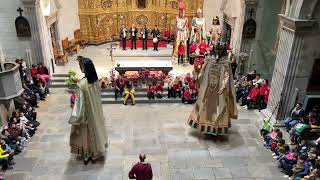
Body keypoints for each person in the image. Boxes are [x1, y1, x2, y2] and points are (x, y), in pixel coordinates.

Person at [68, 57, 108, 165]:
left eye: (81, 66)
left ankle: (87, 155)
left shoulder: (82, 84)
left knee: (85, 136)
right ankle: (95, 154)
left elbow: (79, 104)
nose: (80, 68)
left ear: (85, 68)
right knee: (95, 132)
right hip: (95, 113)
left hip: (85, 115)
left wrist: (75, 117)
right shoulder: (95, 81)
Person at [188, 56, 238, 135]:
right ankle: (206, 126)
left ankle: (216, 128)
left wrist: (223, 87)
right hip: (208, 89)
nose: (218, 51)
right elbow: (203, 72)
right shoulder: (209, 60)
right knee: (206, 108)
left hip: (219, 90)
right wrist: (197, 77)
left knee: (218, 108)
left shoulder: (225, 62)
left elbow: (227, 75)